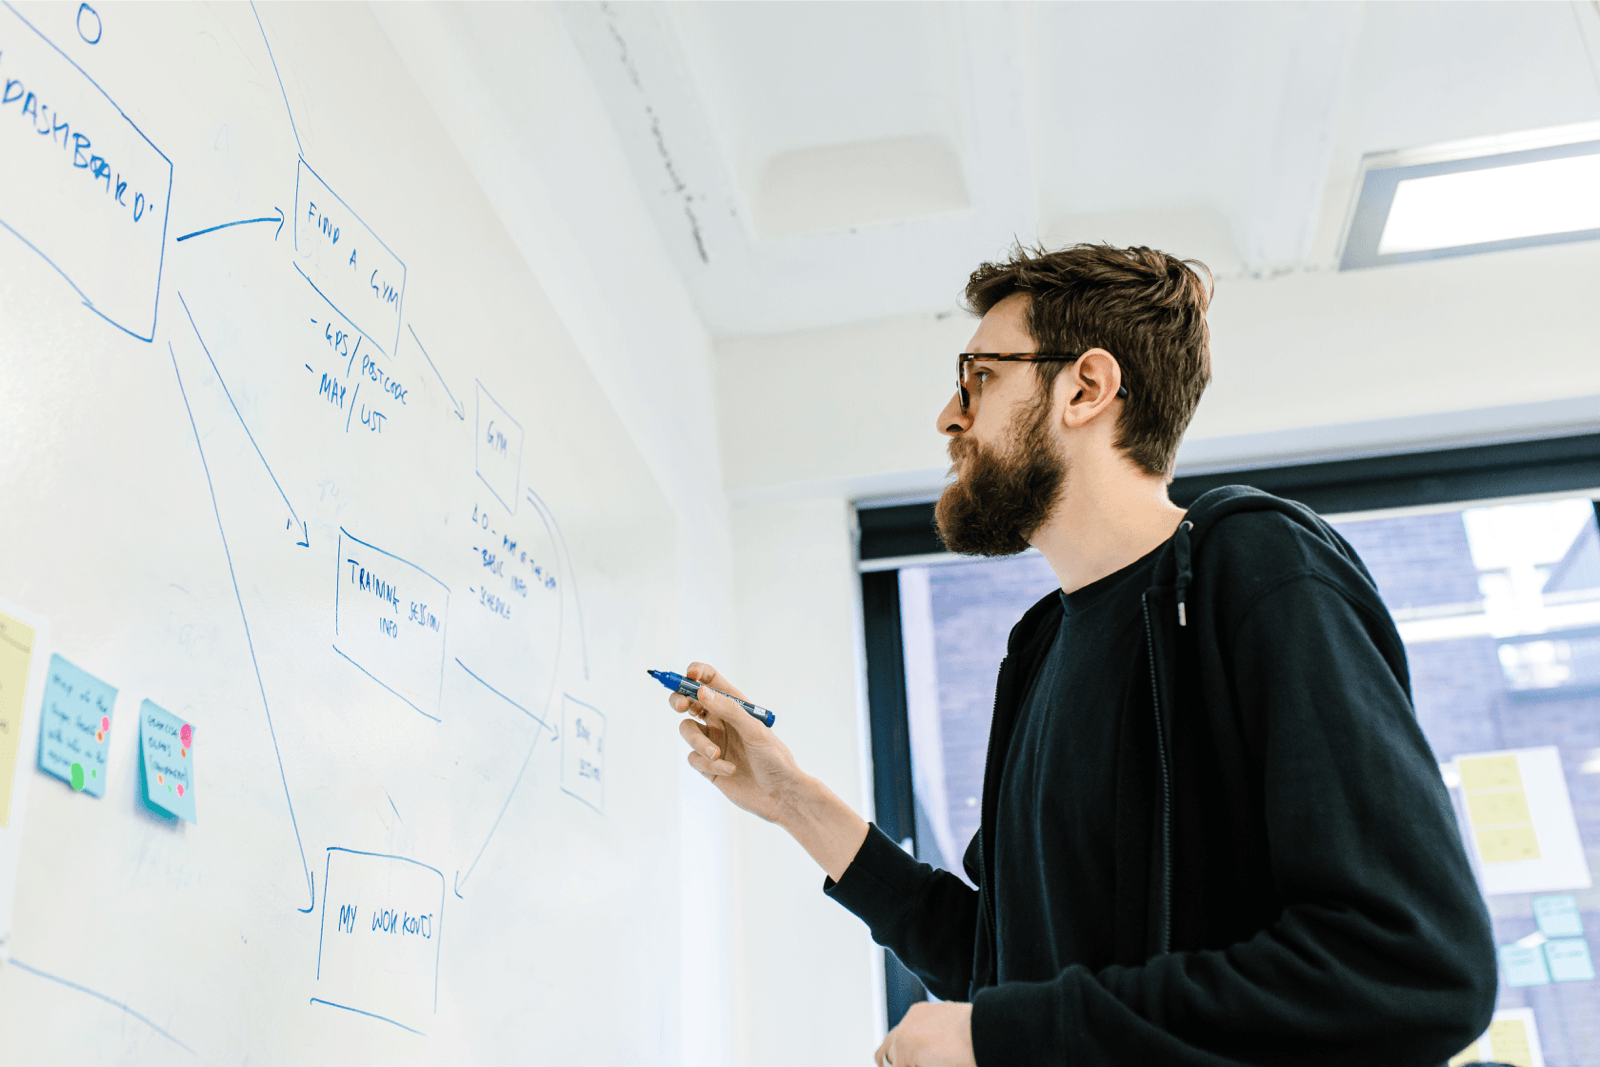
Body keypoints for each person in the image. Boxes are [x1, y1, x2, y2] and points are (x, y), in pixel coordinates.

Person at [667, 244, 1497, 1066]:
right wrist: (792, 799)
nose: (950, 417)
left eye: (980, 376)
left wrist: (999, 1037)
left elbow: (1410, 965)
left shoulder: (1258, 569)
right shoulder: (1038, 651)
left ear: (1086, 388)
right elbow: (1013, 967)